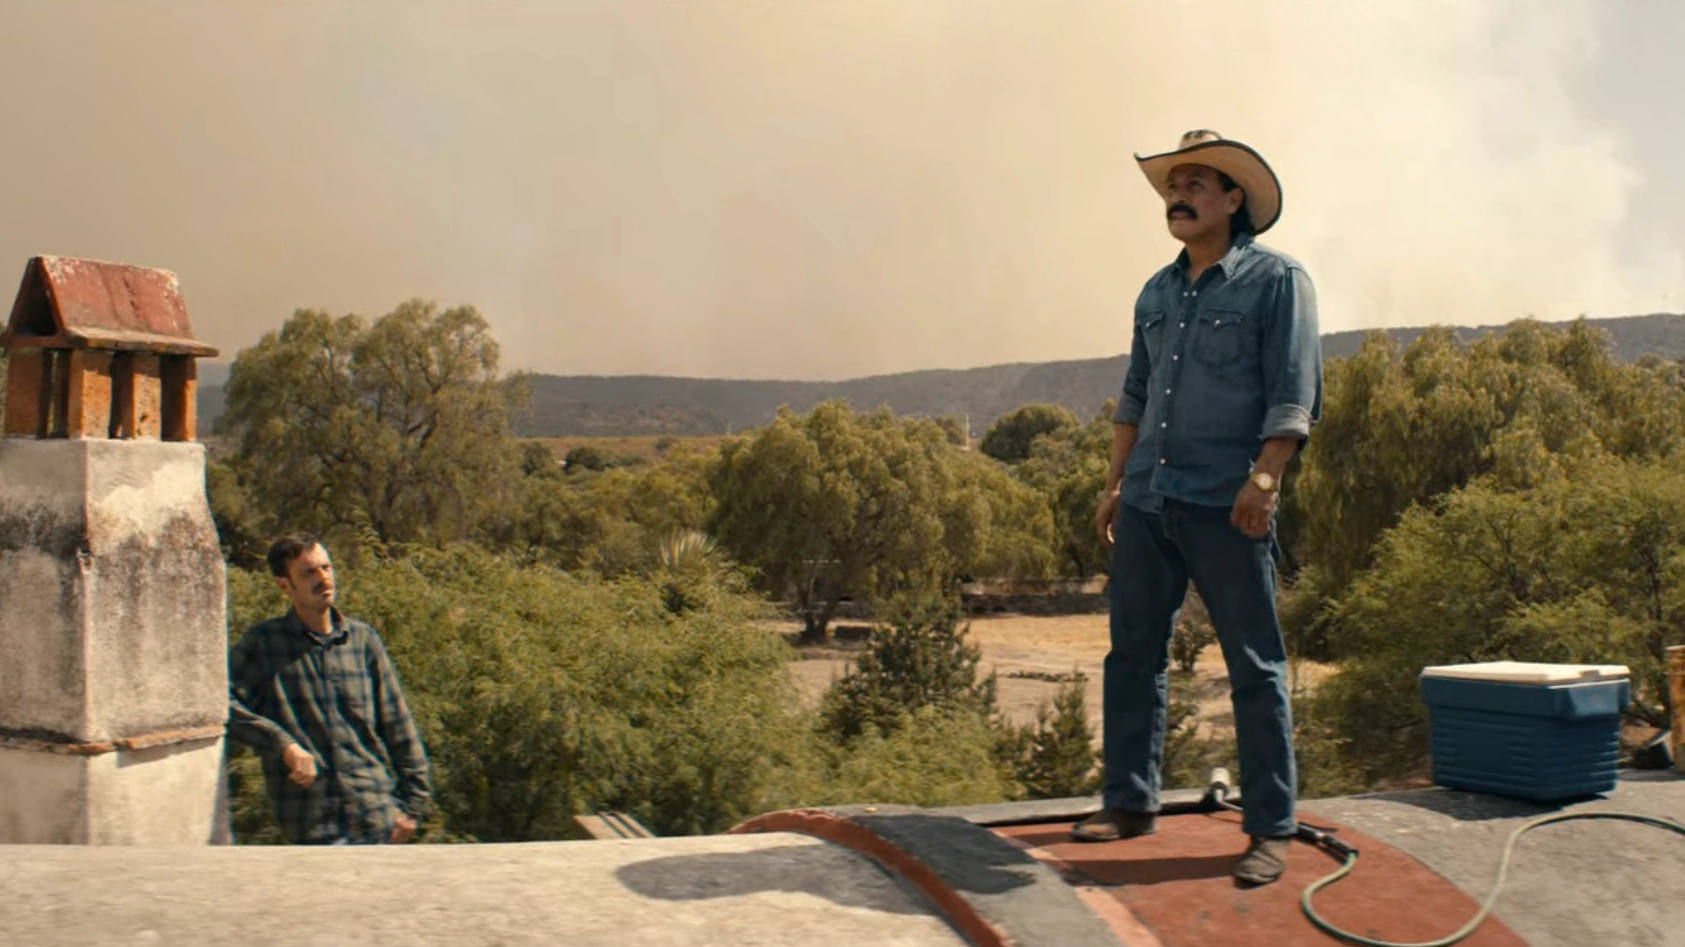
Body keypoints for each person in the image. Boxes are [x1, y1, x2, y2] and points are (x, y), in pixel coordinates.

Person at [1071, 129, 1323, 887]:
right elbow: (1135, 393)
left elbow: (1293, 393)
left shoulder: (1278, 281)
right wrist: (1115, 481)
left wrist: (1265, 480)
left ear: (1233, 199)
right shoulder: (1155, 291)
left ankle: (1270, 827)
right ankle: (1128, 803)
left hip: (1226, 501)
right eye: (1171, 186)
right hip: (1148, 498)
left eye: (1194, 184)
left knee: (1253, 663)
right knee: (1132, 654)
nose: (1176, 196)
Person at [227, 533, 433, 845]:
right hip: (312, 826)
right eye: (308, 572)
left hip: (376, 818)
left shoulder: (362, 641)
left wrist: (411, 809)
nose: (323, 578)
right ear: (284, 585)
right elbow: (222, 705)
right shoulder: (264, 644)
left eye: (326, 568)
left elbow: (398, 726)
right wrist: (283, 745)